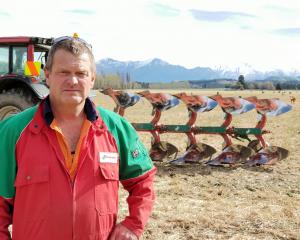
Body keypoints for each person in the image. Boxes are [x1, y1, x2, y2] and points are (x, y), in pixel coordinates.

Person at [0, 35, 156, 240]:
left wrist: (133, 225)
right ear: (47, 75)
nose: (72, 80)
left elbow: (143, 181)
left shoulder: (116, 128)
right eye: (63, 72)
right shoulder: (13, 131)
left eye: (81, 73)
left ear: (92, 79)